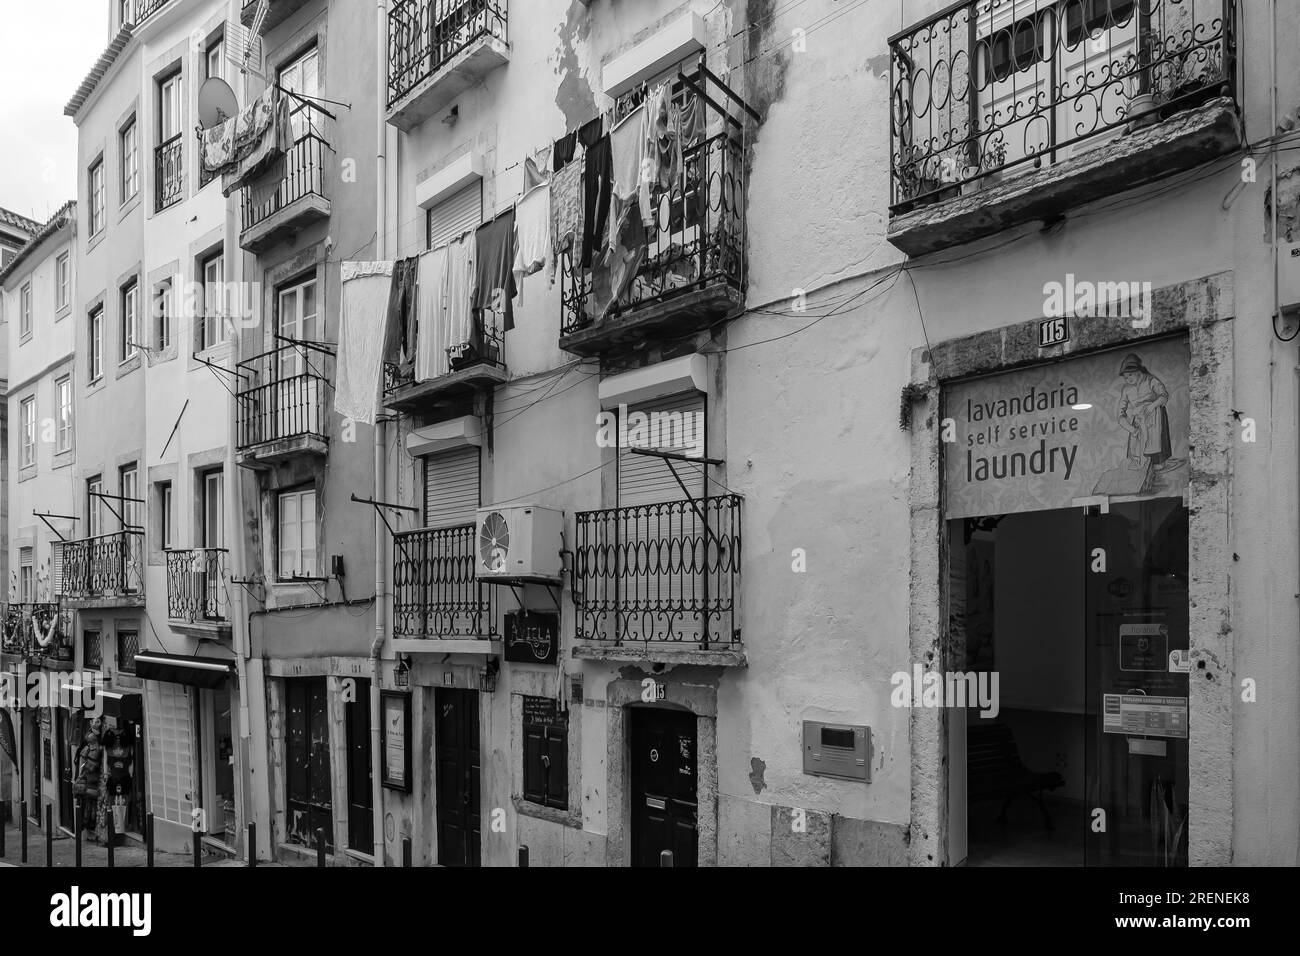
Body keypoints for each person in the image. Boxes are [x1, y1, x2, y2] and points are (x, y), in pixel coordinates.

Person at [1116, 353, 1173, 472]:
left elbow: (1164, 396)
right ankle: (1138, 461)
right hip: (1138, 421)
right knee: (1136, 453)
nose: (1128, 379)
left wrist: (1152, 406)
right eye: (1126, 377)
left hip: (1154, 417)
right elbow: (1120, 414)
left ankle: (1157, 460)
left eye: (1130, 375)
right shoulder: (1126, 389)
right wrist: (1132, 429)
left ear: (1138, 371)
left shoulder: (1151, 381)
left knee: (1156, 462)